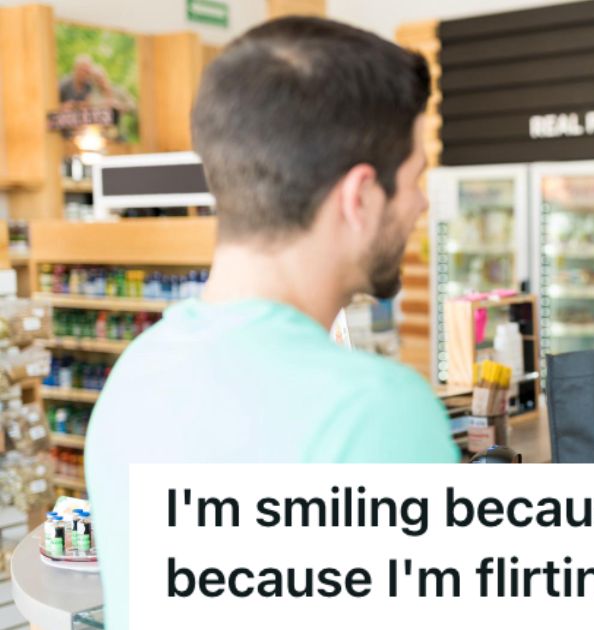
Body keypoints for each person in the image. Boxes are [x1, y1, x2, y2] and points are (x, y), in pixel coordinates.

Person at [85, 17, 459, 628]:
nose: (420, 202)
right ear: (359, 196)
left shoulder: (135, 375)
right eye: (416, 177)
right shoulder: (372, 408)